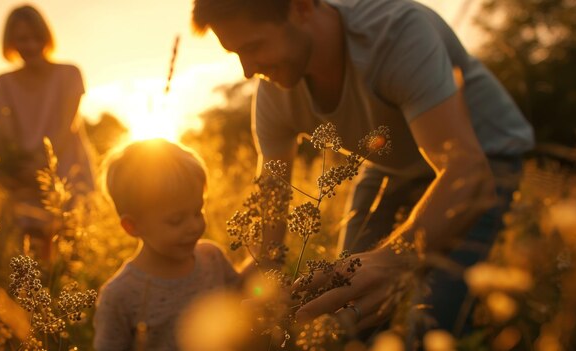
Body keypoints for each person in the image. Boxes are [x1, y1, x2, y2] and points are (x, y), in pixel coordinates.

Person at [192, 0, 534, 339]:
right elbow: (272, 207)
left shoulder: (396, 32)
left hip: (483, 158)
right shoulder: (274, 93)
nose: (248, 70)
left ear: (302, 8)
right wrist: (249, 282)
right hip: (391, 166)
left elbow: (467, 173)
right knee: (347, 304)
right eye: (236, 54)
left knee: (428, 327)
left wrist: (391, 259)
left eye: (253, 46)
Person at [94, 139, 241, 351]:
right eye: (176, 220)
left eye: (198, 211)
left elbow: (242, 299)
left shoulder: (212, 257)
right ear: (132, 226)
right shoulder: (120, 295)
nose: (194, 226)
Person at [0, 5, 95, 248]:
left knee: (70, 249)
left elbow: (66, 128)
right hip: (22, 178)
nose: (29, 45)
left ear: (46, 38)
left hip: (68, 174)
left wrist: (38, 167)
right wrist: (13, 169)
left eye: (35, 38)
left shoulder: (70, 74)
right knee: (25, 256)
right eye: (22, 39)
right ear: (11, 43)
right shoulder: (4, 83)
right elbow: (3, 133)